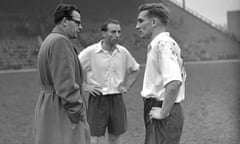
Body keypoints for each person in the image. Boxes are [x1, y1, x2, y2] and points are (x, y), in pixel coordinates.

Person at [34, 4, 90, 144]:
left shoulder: (49, 40)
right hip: (61, 110)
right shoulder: (60, 42)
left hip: (48, 106)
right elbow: (66, 85)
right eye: (77, 22)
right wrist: (79, 112)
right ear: (65, 21)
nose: (80, 27)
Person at [78, 19, 140, 144]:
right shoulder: (90, 52)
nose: (117, 35)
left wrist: (126, 86)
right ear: (103, 34)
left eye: (119, 32)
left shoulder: (123, 52)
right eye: (113, 32)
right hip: (98, 99)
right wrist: (84, 85)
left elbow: (135, 69)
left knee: (115, 136)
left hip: (117, 99)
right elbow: (73, 68)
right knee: (95, 138)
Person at [136, 3, 187, 144]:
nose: (137, 26)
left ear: (153, 22)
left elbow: (174, 82)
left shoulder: (162, 44)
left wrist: (164, 112)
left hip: (163, 108)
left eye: (141, 21)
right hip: (161, 107)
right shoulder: (162, 44)